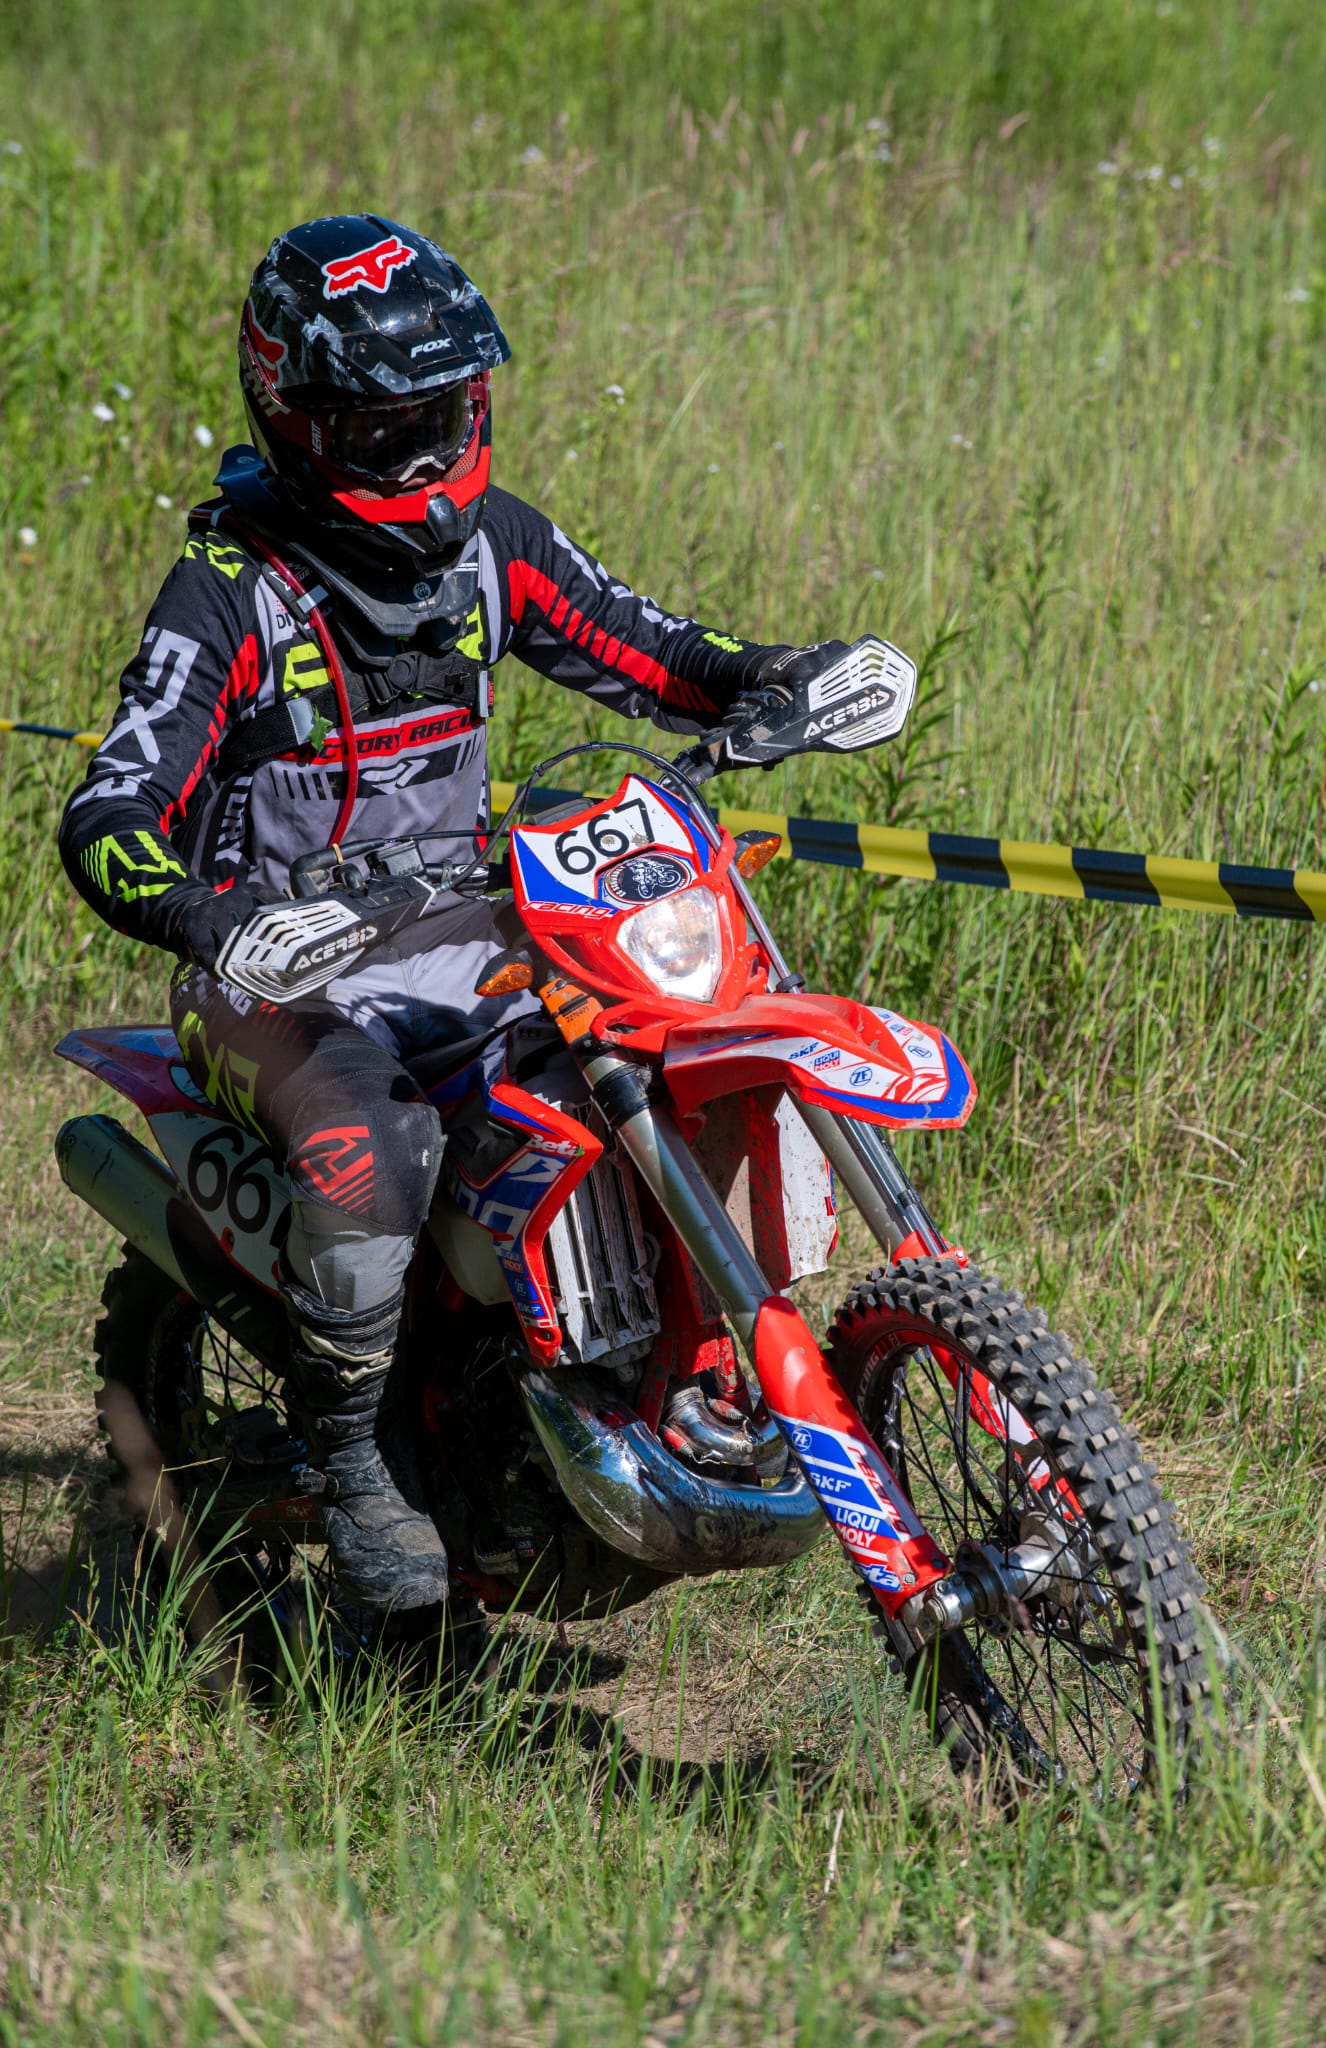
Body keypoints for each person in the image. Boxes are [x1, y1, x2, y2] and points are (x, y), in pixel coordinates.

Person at [59, 214, 846, 1615]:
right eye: (384, 429)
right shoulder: (230, 593)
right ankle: (353, 1459)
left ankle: (648, 1377)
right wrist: (208, 920)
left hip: (471, 937)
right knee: (374, 1148)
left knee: (661, 1054)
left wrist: (778, 680)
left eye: (444, 416)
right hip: (268, 980)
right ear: (297, 420)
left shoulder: (492, 546)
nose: (424, 458)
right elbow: (107, 812)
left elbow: (655, 649)